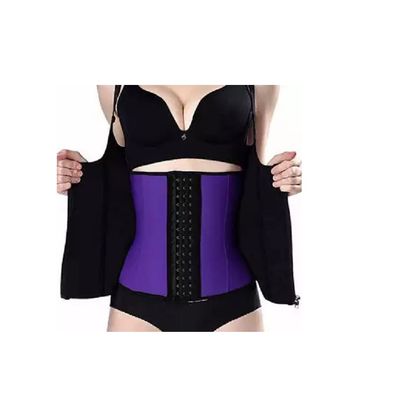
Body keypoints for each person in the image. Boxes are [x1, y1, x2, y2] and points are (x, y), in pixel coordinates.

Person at [57, 85, 302, 332]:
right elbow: (116, 176)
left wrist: (285, 176)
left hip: (233, 305)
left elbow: (261, 174)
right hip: (135, 307)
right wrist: (77, 178)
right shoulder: (112, 84)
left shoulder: (259, 82)